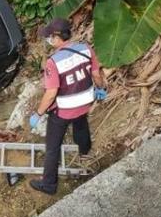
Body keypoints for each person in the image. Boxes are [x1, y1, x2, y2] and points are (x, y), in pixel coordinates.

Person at [28, 18, 106, 196]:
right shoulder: (86, 49)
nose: (48, 40)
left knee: (52, 147)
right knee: (81, 123)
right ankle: (84, 151)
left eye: (49, 36)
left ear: (57, 37)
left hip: (64, 111)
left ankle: (49, 185)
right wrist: (101, 89)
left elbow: (51, 94)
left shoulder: (53, 62)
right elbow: (96, 74)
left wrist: (38, 114)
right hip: (85, 103)